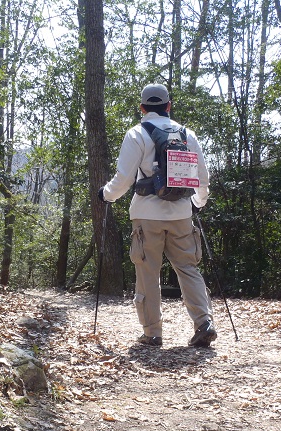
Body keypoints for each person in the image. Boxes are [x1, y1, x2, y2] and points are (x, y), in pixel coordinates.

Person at [98, 83, 216, 348]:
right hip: (181, 214)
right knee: (188, 268)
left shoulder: (137, 134)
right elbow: (202, 177)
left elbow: (124, 178)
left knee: (148, 272)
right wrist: (198, 202)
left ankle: (152, 333)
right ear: (168, 106)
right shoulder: (187, 134)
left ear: (142, 108)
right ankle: (204, 323)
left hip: (146, 215)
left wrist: (106, 194)